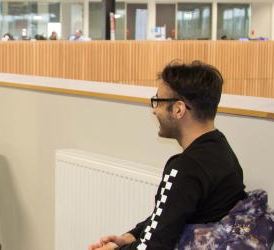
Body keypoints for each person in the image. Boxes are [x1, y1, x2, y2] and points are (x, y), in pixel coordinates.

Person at [88, 61, 247, 250]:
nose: (154, 110)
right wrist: (129, 237)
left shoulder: (186, 168)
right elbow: (167, 218)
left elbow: (155, 246)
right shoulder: (221, 149)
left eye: (158, 101)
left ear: (178, 109)